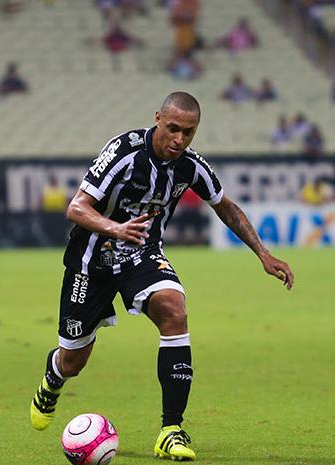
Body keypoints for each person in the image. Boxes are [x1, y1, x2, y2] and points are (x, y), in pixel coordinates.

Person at [29, 92, 294, 462]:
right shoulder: (124, 152)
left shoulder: (191, 166)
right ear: (157, 119)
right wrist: (115, 229)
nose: (179, 140)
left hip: (142, 255)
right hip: (91, 261)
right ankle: (53, 378)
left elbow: (226, 207)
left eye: (189, 132)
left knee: (174, 309)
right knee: (74, 360)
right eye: (173, 129)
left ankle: (171, 429)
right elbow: (77, 207)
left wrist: (263, 253)